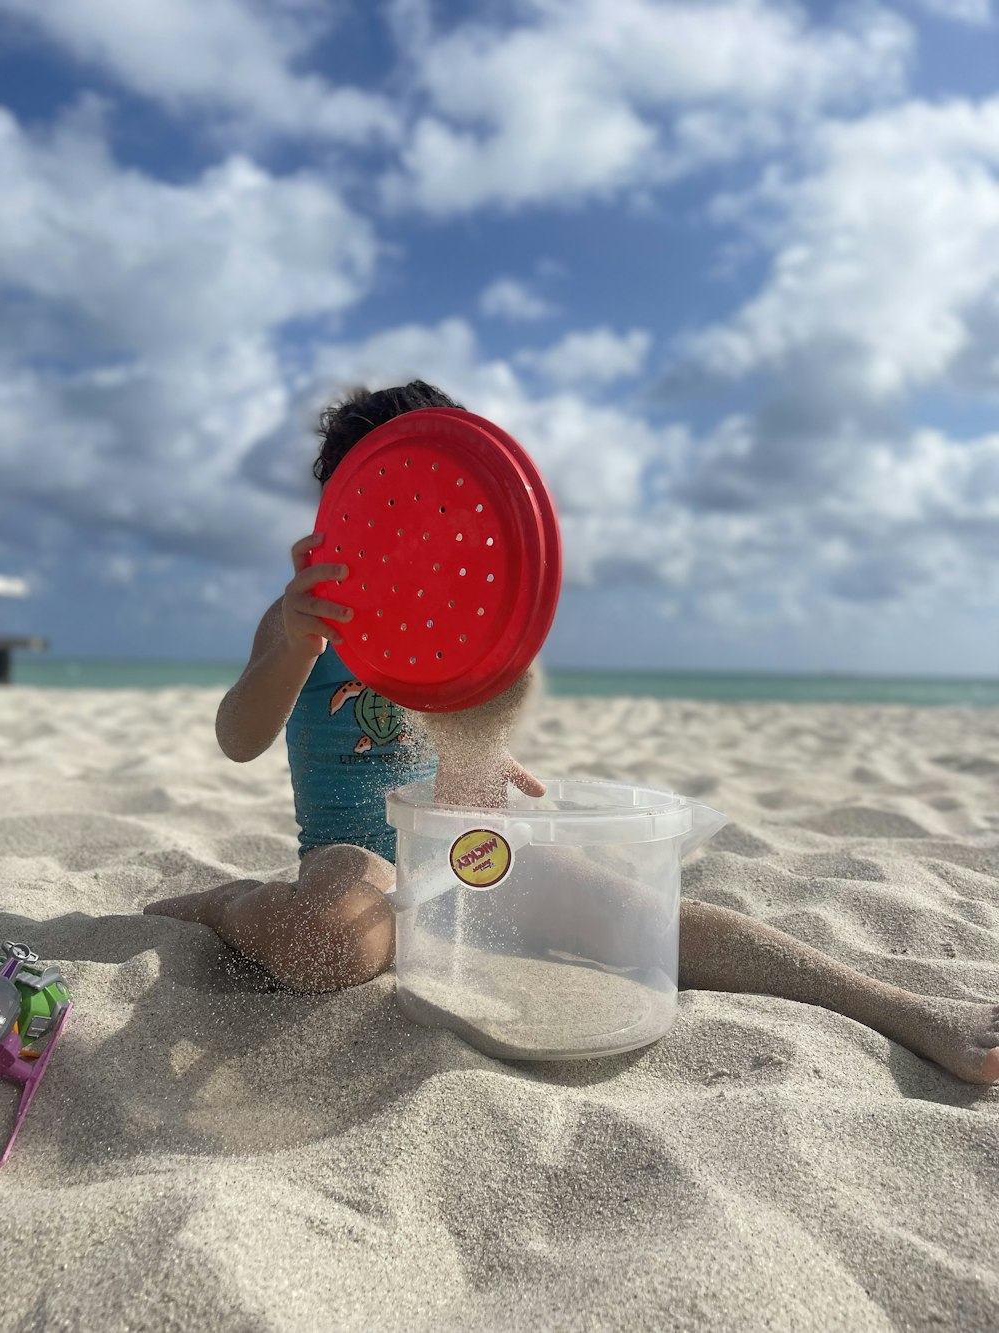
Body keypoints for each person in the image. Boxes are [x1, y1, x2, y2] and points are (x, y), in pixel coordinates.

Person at [145, 382, 999, 1086]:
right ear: (346, 510)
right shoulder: (300, 620)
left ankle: (898, 1006)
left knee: (649, 920)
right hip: (359, 857)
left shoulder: (458, 621)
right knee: (335, 939)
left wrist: (489, 751)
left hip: (466, 857)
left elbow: (462, 760)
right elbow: (238, 735)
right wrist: (296, 644)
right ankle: (224, 902)